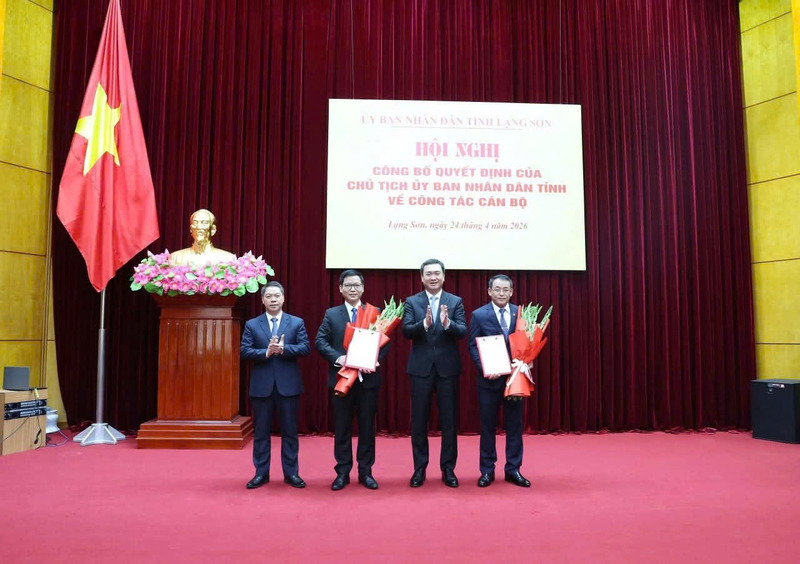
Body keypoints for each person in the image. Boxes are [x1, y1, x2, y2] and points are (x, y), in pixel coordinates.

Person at [315, 270, 390, 490]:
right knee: (342, 427)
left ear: (363, 288)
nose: (353, 289)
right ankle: (342, 472)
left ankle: (366, 472)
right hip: (341, 380)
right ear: (340, 288)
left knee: (367, 428)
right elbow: (321, 341)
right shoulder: (332, 314)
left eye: (356, 285)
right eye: (348, 285)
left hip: (368, 381)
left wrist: (375, 360)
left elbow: (384, 343)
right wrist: (338, 358)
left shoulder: (375, 312)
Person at [402, 258, 467, 488]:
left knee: (449, 421)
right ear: (421, 277)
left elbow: (463, 331)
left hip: (448, 369)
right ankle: (419, 469)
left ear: (444, 276)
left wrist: (448, 324)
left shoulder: (455, 301)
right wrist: (425, 324)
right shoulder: (411, 302)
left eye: (436, 273)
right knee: (419, 421)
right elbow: (406, 331)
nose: (432, 277)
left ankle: (448, 469)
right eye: (428, 273)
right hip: (420, 370)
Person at [241, 281, 310, 489]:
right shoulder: (252, 324)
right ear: (262, 299)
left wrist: (284, 349)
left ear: (283, 298)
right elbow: (244, 351)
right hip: (262, 387)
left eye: (276, 296)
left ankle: (291, 474)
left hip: (288, 386)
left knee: (290, 432)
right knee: (261, 433)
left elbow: (305, 348)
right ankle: (261, 473)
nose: (273, 300)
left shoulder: (296, 322)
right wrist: (266, 352)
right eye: (268, 296)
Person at [467, 274, 530, 488]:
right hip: (489, 381)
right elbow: (473, 346)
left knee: (514, 425)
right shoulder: (478, 315)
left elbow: (528, 343)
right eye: (497, 289)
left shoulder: (521, 313)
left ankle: (513, 469)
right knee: (487, 426)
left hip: (514, 380)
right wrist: (486, 367)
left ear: (512, 292)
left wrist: (525, 362)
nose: (501, 293)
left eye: (505, 290)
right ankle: (487, 471)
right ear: (489, 291)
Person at [169, 208, 236, 266]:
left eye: (204, 223)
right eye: (195, 223)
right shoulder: (175, 257)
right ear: (190, 229)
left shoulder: (227, 259)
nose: (198, 227)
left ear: (213, 229)